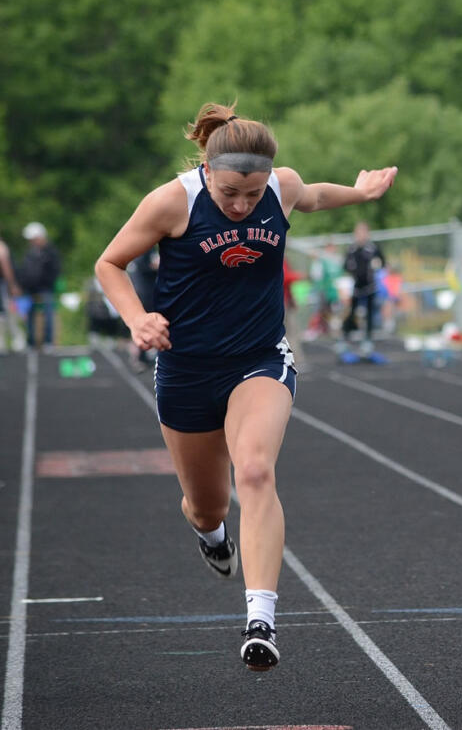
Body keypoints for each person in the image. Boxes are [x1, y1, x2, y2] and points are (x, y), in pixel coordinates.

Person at [94, 102, 397, 671]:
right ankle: (211, 536)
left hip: (258, 359)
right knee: (205, 505)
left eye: (252, 196)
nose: (241, 205)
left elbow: (314, 196)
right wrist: (138, 319)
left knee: (255, 470)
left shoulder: (280, 187)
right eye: (231, 193)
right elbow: (109, 263)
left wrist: (360, 193)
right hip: (185, 368)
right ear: (208, 173)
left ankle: (261, 619)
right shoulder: (171, 201)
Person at [340, 220, 385, 362]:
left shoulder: (372, 248)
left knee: (370, 316)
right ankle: (346, 340)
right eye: (358, 233)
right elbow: (345, 265)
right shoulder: (352, 249)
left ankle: (368, 342)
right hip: (357, 288)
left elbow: (383, 262)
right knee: (352, 314)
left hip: (370, 287)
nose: (360, 236)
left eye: (363, 232)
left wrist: (378, 264)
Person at [18, 221, 60, 351]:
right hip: (30, 290)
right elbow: (25, 270)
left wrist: (47, 283)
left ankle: (48, 342)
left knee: (48, 315)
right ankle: (31, 342)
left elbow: (55, 270)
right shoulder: (30, 253)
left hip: (45, 289)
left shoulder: (50, 252)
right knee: (29, 317)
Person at [127, 247, 160, 370]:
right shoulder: (145, 248)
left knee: (145, 323)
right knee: (146, 323)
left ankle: (144, 354)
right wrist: (157, 267)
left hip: (141, 291)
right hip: (145, 292)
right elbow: (144, 266)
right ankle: (141, 355)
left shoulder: (139, 248)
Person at [0, 238, 23, 354]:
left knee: (8, 313)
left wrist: (12, 284)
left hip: (3, 286)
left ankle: (17, 340)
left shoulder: (1, 247)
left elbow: (5, 266)